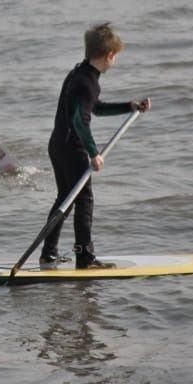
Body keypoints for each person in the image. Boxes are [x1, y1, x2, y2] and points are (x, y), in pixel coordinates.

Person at [41, 23, 151, 269]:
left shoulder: (78, 74)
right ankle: (85, 257)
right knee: (84, 201)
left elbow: (95, 108)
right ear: (110, 55)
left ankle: (48, 253)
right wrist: (93, 153)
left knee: (65, 199)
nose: (116, 61)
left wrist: (129, 106)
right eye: (117, 57)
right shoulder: (88, 82)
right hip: (73, 148)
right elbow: (80, 120)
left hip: (58, 144)